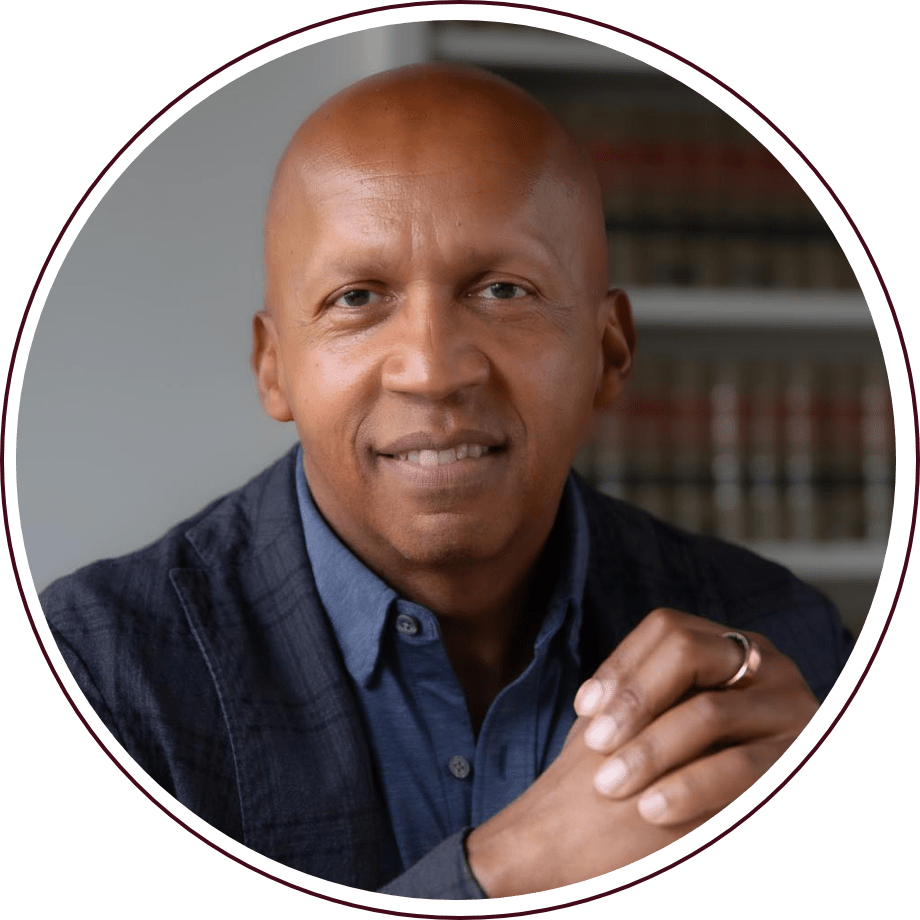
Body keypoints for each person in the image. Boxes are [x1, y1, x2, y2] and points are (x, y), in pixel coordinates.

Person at [40, 63, 851, 899]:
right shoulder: (90, 677)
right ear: (274, 366)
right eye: (357, 297)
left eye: (504, 290)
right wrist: (504, 870)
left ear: (609, 353)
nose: (431, 370)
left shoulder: (784, 642)